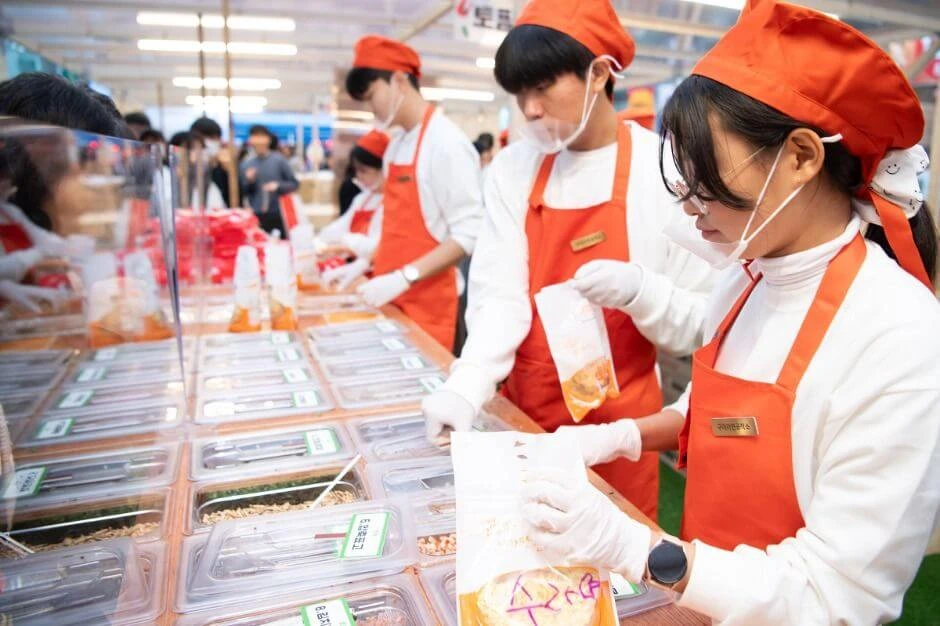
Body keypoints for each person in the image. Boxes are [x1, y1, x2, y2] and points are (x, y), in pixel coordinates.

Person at [520, 1, 940, 624]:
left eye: (709, 182)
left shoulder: (897, 335)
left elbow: (839, 595)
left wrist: (640, 550)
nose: (690, 209)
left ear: (801, 156)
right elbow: (716, 409)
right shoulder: (747, 274)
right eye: (684, 180)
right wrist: (617, 436)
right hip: (706, 596)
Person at [421, 0, 716, 520]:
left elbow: (700, 322)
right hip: (524, 416)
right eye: (520, 94)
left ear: (599, 73)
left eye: (543, 88)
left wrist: (643, 291)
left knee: (615, 578)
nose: (530, 109)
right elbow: (500, 298)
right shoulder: (514, 169)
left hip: (622, 429)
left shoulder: (660, 170)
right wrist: (466, 388)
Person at [345, 35, 483, 350]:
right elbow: (396, 229)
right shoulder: (396, 144)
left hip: (432, 305)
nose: (371, 110)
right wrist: (364, 264)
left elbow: (469, 233)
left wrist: (404, 276)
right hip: (394, 299)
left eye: (371, 97)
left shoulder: (446, 143)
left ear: (398, 80)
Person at [320, 130, 389, 290]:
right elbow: (335, 230)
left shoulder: (393, 204)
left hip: (379, 280)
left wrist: (345, 242)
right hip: (360, 277)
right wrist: (319, 243)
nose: (359, 176)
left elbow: (377, 248)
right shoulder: (363, 199)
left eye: (364, 171)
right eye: (356, 171)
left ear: (384, 169)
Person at [239, 124, 298, 237]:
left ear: (268, 139)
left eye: (261, 136)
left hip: (278, 213)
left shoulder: (279, 160)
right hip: (256, 215)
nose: (259, 140)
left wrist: (278, 186)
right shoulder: (246, 164)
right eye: (255, 136)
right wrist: (249, 181)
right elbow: (245, 191)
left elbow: (294, 184)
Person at [190, 116, 233, 207]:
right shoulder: (189, 166)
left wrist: (229, 171)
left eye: (214, 138)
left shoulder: (223, 166)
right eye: (206, 137)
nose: (210, 142)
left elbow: (233, 199)